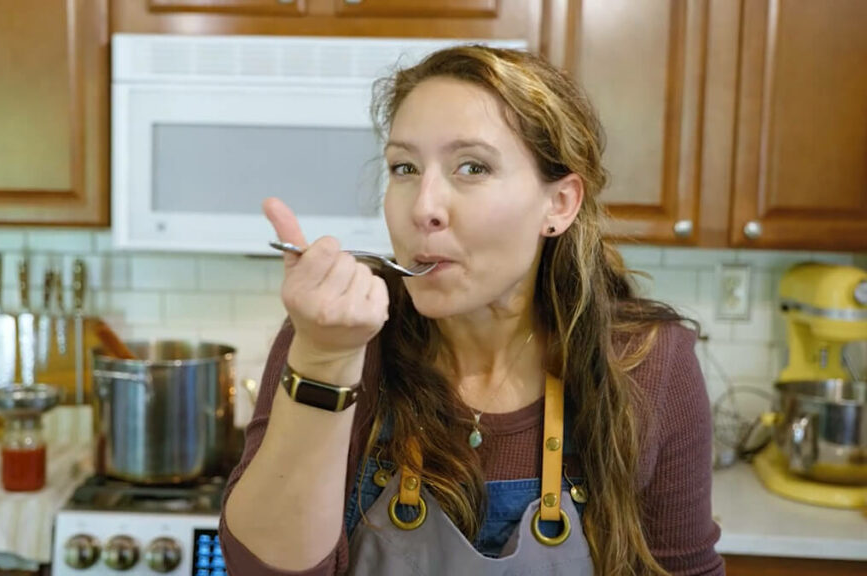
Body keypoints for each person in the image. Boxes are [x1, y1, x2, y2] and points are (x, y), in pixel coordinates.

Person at [220, 45, 724, 576]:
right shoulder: (338, 334)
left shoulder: (648, 361)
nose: (423, 208)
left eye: (472, 167)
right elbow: (259, 570)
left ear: (559, 204)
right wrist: (323, 359)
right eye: (405, 167)